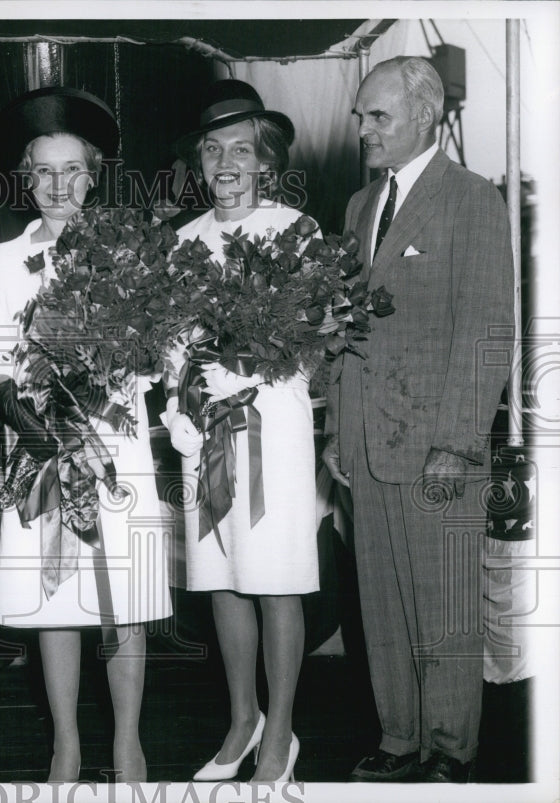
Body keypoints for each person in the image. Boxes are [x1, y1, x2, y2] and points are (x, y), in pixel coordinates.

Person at [323, 56, 513, 783]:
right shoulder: (358, 207)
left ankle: (449, 750)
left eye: (378, 116)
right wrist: (339, 429)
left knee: (446, 609)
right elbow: (346, 330)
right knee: (383, 608)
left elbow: (488, 328)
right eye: (360, 117)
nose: (363, 129)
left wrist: (459, 444)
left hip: (439, 449)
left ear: (426, 116)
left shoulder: (471, 201)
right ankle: (399, 737)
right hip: (368, 449)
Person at [0, 87, 172, 782]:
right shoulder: (1, 259)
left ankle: (128, 741)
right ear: (25, 177)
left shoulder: (131, 249)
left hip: (114, 444)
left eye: (72, 170)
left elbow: (159, 348)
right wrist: (36, 430)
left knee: (127, 594)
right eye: (42, 171)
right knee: (54, 596)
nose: (57, 186)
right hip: (38, 447)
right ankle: (65, 742)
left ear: (93, 175)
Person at [163, 79, 317, 784]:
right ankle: (242, 718)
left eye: (241, 149)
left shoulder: (297, 228)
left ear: (264, 160)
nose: (226, 161)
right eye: (212, 148)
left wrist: (240, 366)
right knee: (222, 578)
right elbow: (167, 346)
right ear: (199, 162)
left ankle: (281, 736)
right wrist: (180, 403)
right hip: (205, 430)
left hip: (272, 424)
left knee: (274, 578)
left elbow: (311, 338)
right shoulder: (182, 241)